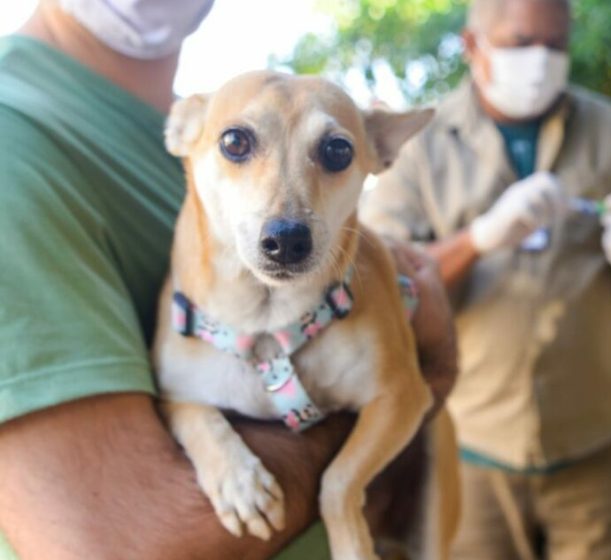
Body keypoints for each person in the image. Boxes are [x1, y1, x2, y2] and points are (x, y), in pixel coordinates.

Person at [0, 1, 457, 559]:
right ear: (187, 137)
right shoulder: (13, 140)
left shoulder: (168, 119)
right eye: (239, 145)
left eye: (334, 152)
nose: (286, 221)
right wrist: (429, 369)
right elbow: (111, 543)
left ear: (377, 153)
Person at [361, 0, 611, 558]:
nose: (541, 61)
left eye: (556, 45)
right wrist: (479, 239)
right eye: (520, 43)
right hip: (468, 444)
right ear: (474, 46)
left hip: (594, 443)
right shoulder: (419, 145)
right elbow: (380, 282)